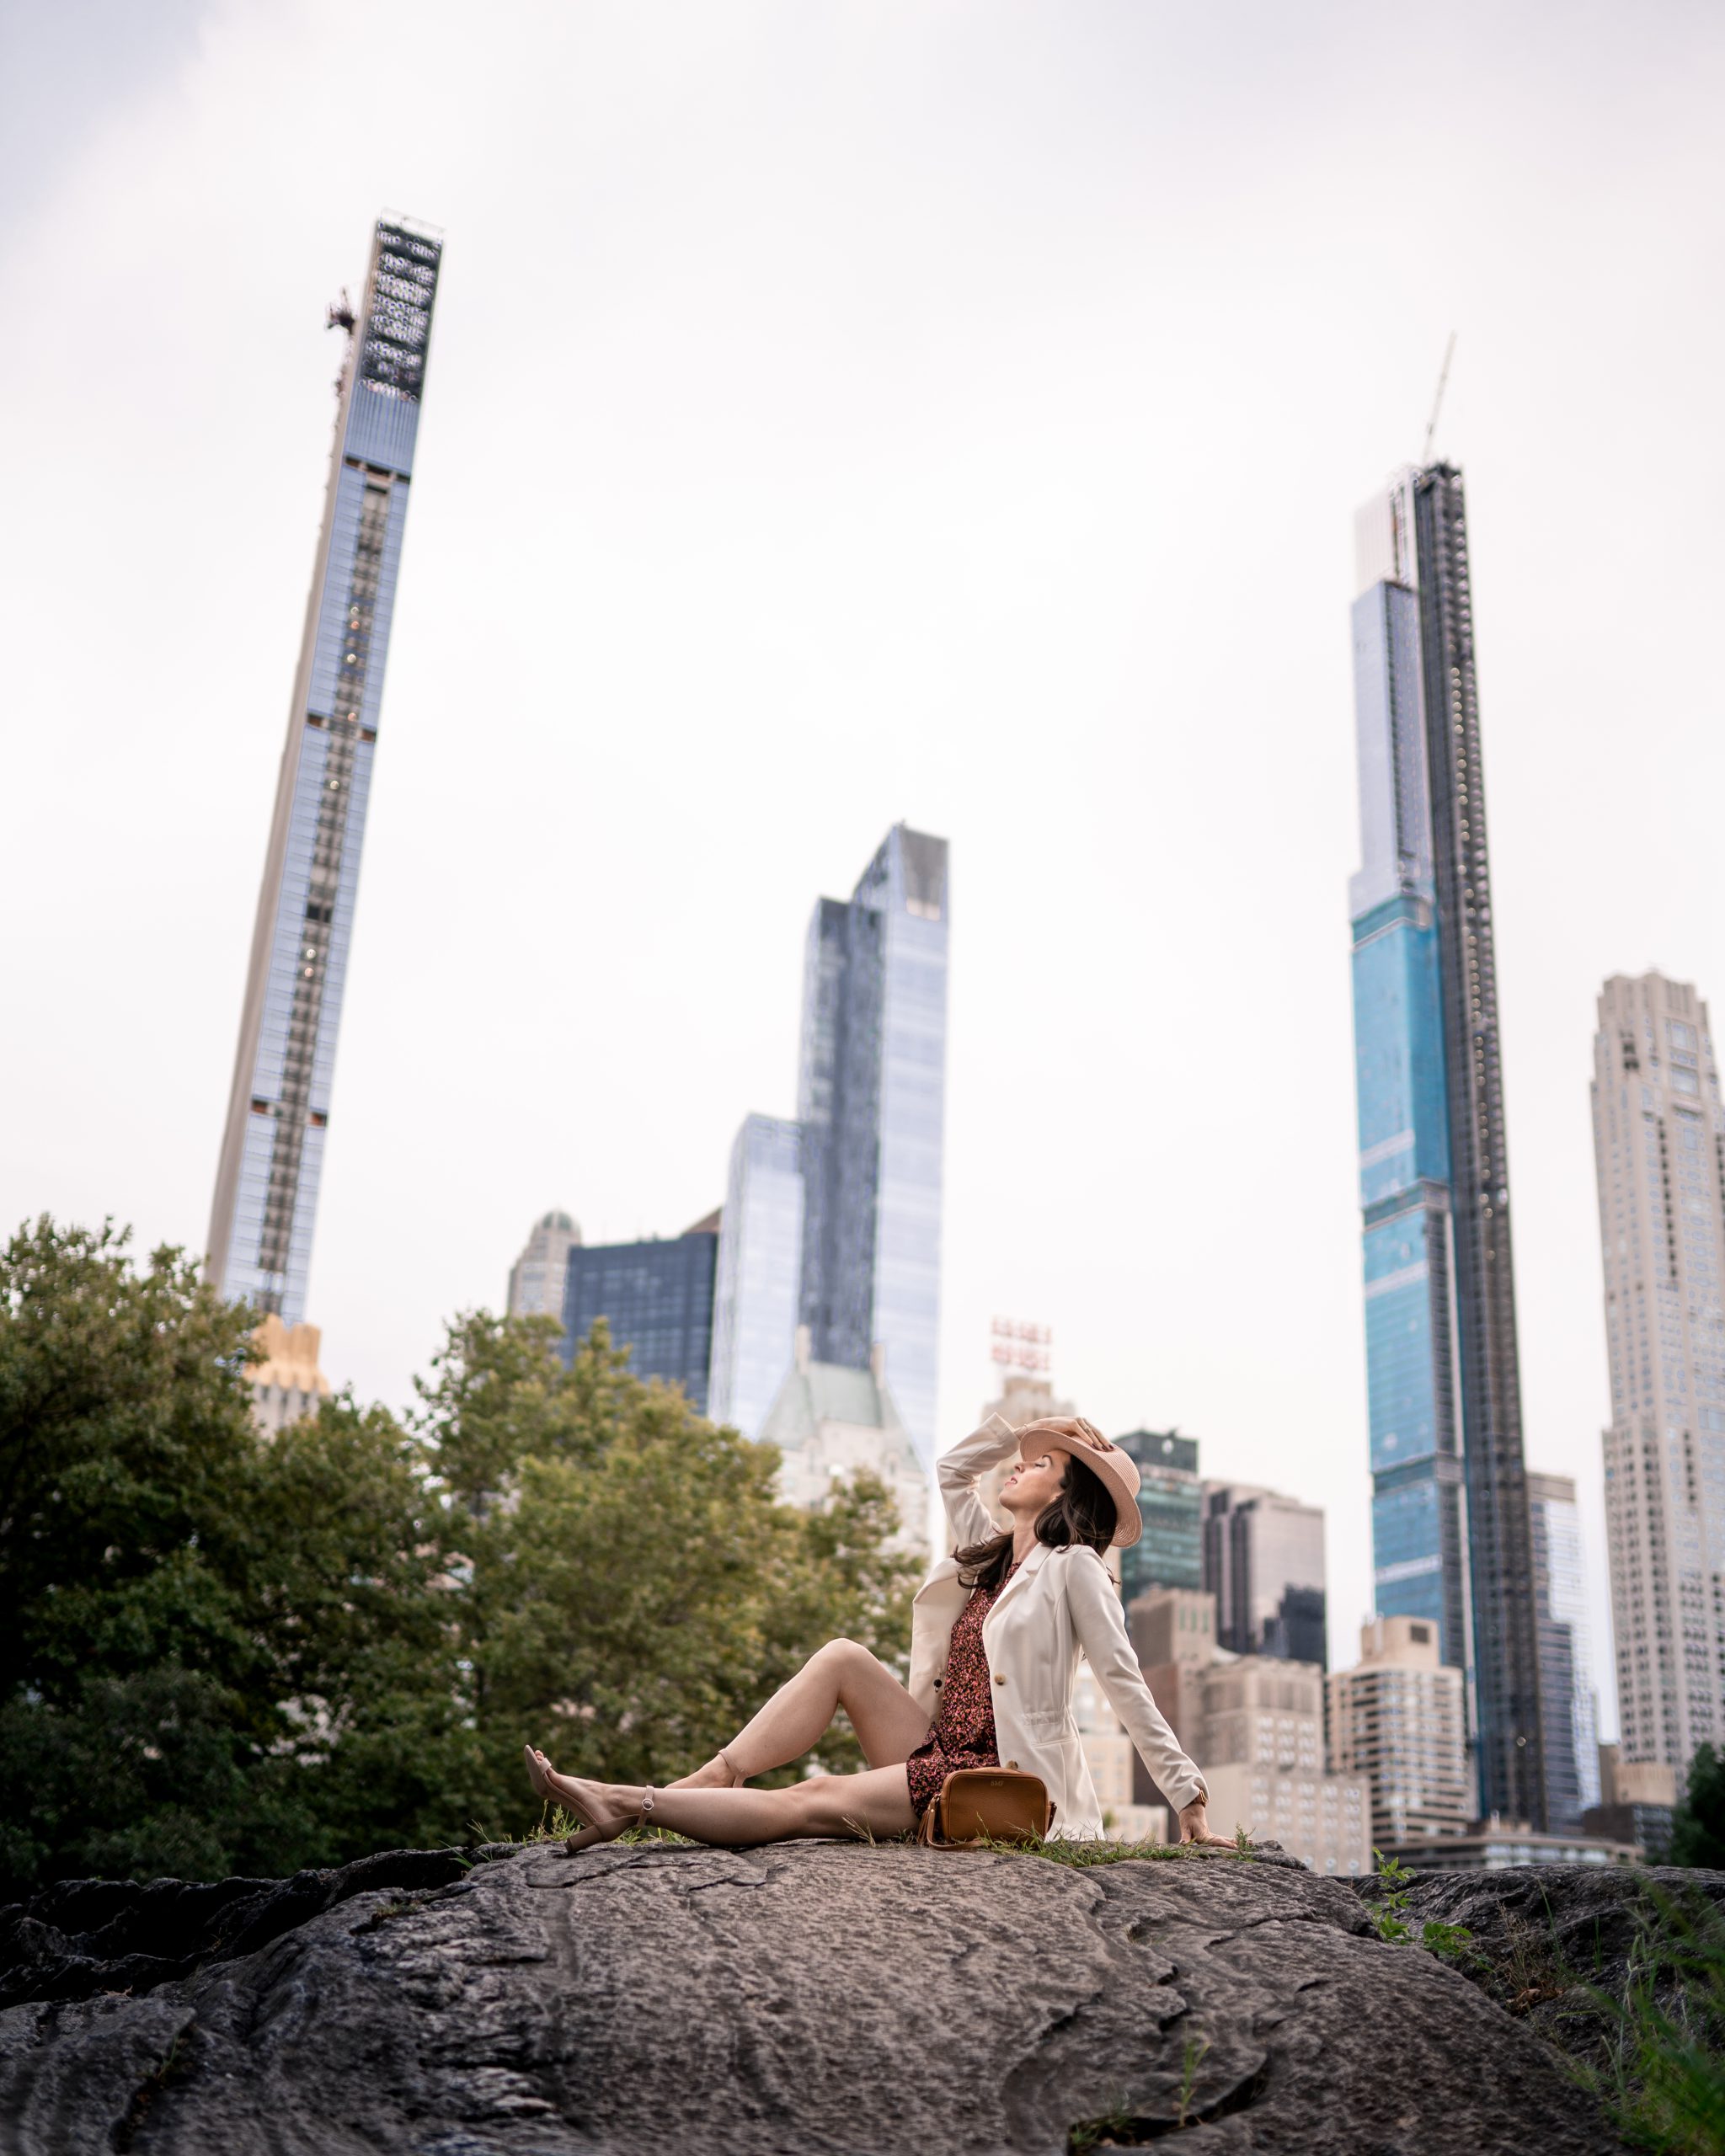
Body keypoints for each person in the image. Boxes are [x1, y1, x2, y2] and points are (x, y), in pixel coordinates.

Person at [523, 1412, 1230, 1850]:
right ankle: (716, 1775)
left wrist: (1189, 1802)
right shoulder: (991, 1556)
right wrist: (1032, 1430)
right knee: (842, 1657)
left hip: (997, 1779)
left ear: (1066, 1494)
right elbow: (954, 1471)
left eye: (1041, 1463)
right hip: (941, 1746)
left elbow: (1125, 1685)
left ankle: (629, 1804)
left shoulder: (1074, 1569)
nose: (1019, 1464)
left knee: (811, 1799)